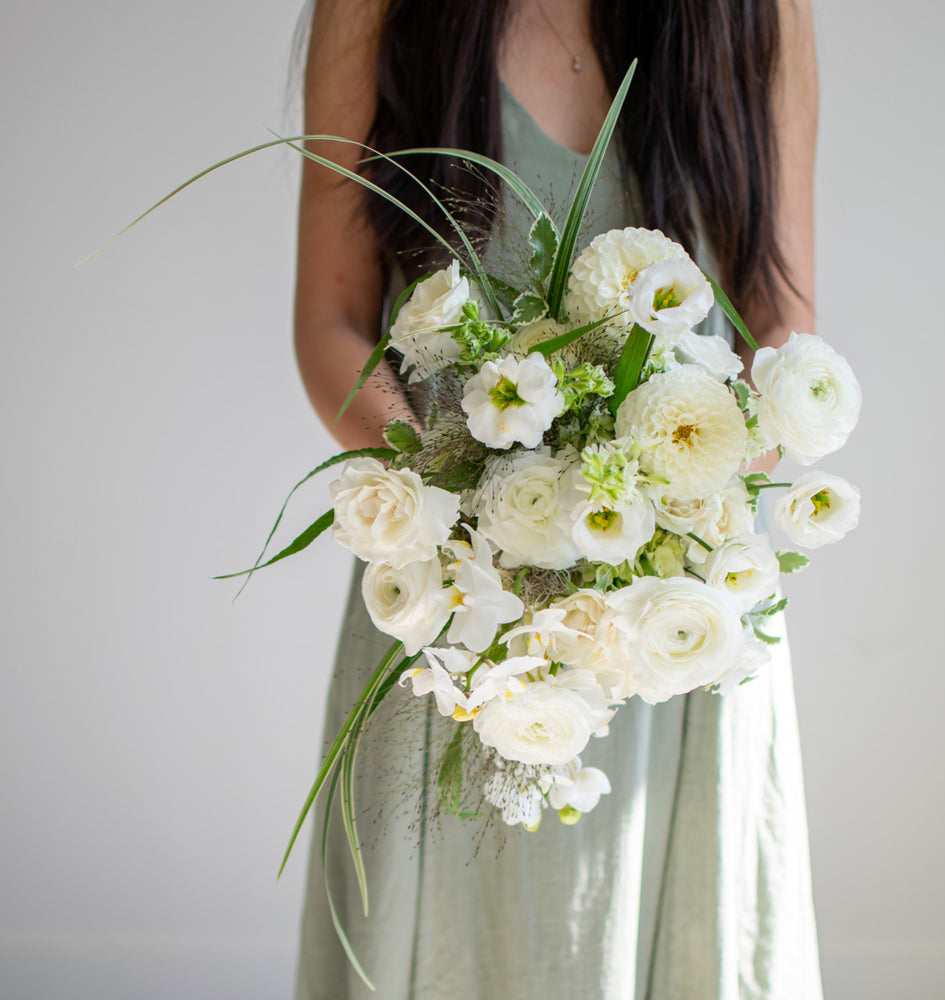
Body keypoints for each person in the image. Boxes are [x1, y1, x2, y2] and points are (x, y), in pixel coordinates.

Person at [292, 1, 824, 997]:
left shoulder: (757, 14)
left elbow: (779, 325)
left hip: (681, 596)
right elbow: (329, 315)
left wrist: (661, 512)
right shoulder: (375, 8)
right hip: (455, 595)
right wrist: (456, 498)